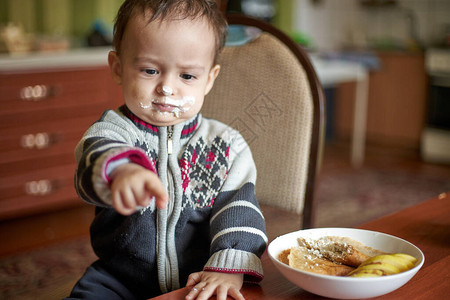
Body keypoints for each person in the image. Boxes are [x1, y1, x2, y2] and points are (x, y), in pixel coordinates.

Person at [66, 0, 267, 299]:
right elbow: (95, 159)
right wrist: (121, 170)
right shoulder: (113, 131)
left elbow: (240, 210)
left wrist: (228, 266)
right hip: (117, 277)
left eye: (187, 76)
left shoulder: (227, 146)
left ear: (209, 79)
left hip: (199, 279)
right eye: (150, 70)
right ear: (118, 68)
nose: (167, 88)